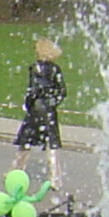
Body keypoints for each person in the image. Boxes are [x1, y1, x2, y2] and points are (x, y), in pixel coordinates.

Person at [17, 38, 64, 184]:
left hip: (36, 109)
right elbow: (62, 91)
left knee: (26, 142)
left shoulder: (35, 68)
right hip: (49, 111)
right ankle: (55, 177)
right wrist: (53, 103)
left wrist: (28, 104)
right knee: (51, 144)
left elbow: (33, 90)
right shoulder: (56, 69)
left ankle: (17, 170)